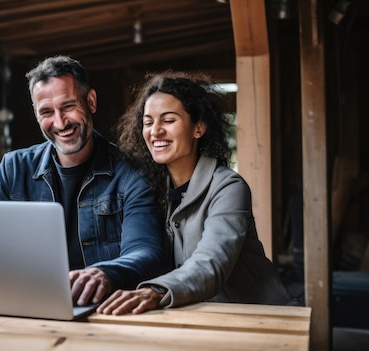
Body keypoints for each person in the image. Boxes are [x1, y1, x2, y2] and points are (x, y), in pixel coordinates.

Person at [0, 55, 167, 306]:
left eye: (68, 106)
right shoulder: (14, 168)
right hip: (26, 305)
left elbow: (147, 252)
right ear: (36, 114)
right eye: (47, 112)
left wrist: (105, 273)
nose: (60, 122)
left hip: (103, 310)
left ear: (91, 101)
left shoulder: (132, 173)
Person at [97, 71, 290, 315]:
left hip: (260, 318)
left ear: (198, 128)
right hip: (197, 319)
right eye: (148, 122)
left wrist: (156, 291)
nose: (155, 131)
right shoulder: (149, 191)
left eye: (168, 120)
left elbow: (211, 264)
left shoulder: (229, 187)